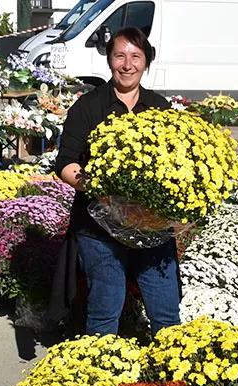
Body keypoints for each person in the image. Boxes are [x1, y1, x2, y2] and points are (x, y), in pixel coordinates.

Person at [51, 26, 181, 337]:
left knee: (165, 309)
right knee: (105, 307)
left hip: (151, 223)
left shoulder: (160, 108)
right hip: (99, 226)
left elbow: (179, 164)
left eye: (136, 56)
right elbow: (65, 162)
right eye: (119, 56)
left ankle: (170, 365)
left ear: (146, 61)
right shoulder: (88, 106)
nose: (127, 64)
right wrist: (100, 189)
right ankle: (101, 363)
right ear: (109, 60)